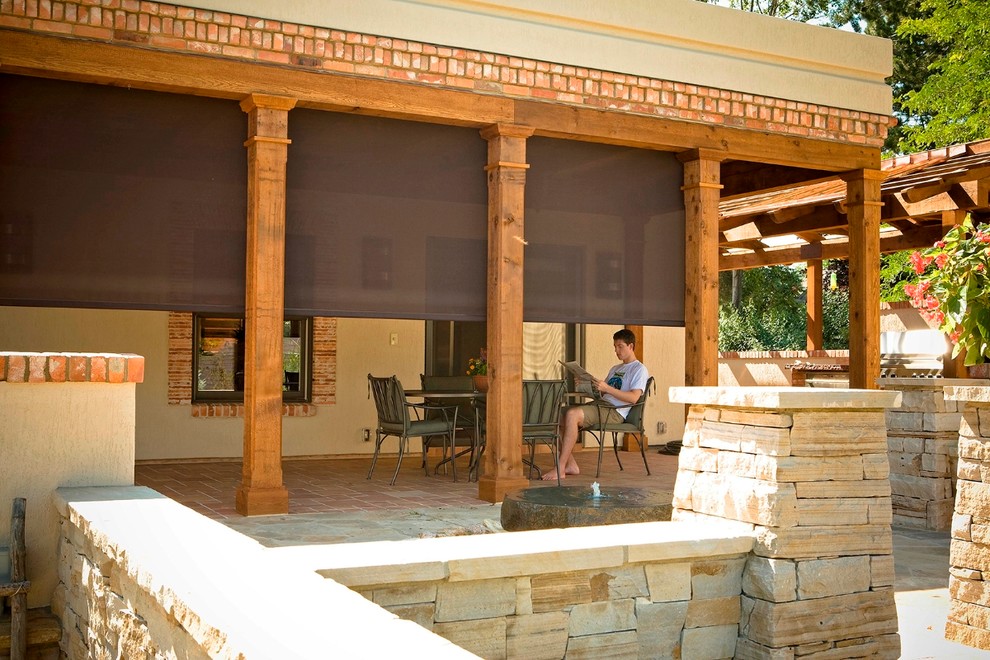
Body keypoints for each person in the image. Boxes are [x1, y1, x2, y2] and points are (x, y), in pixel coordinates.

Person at [542, 328, 649, 481]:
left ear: (631, 346)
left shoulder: (639, 369)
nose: (616, 351)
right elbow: (603, 393)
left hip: (615, 412)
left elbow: (633, 398)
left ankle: (560, 467)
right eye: (615, 347)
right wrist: (586, 385)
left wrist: (607, 388)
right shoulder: (615, 368)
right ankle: (571, 464)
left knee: (572, 415)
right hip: (600, 405)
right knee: (556, 415)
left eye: (620, 346)